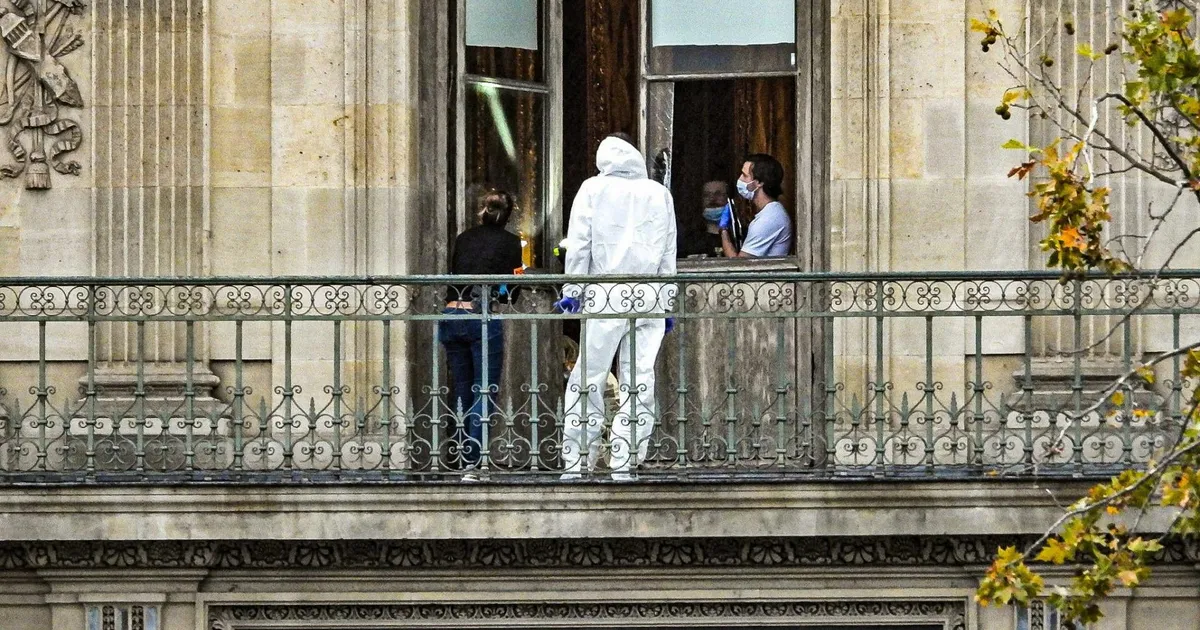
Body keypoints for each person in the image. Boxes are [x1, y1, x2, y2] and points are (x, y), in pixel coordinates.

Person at [553, 132, 677, 481]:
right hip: (649, 293)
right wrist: (666, 302)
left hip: (606, 293)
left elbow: (579, 245)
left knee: (588, 378)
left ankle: (577, 460)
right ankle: (625, 459)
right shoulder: (659, 193)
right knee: (640, 379)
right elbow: (669, 252)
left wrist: (572, 290)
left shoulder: (593, 189)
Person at [441, 190, 523, 482]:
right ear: (509, 214)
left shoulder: (464, 238)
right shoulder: (513, 243)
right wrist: (506, 284)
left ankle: (460, 457)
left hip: (451, 315)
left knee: (462, 390)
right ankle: (473, 466)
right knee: (484, 390)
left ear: (482, 212)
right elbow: (512, 290)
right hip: (482, 317)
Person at [720, 153, 793, 258]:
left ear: (758, 182)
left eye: (744, 175)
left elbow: (739, 268)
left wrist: (723, 231)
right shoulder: (769, 213)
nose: (740, 179)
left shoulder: (769, 218)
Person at [678, 179, 744, 258]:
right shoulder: (690, 239)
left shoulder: (739, 235)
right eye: (706, 195)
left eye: (718, 194)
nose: (712, 199)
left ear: (728, 199)